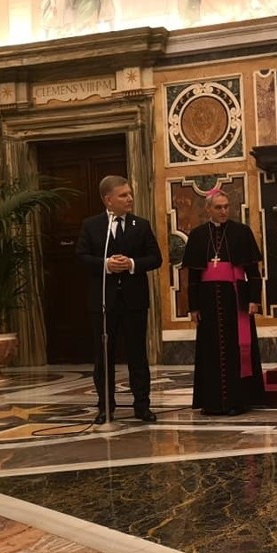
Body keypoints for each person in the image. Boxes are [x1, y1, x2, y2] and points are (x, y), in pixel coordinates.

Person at [77, 175, 163, 424]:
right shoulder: (91, 226)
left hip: (134, 301)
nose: (129, 199)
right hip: (103, 302)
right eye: (123, 195)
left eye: (130, 194)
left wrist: (133, 264)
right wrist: (105, 265)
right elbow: (81, 257)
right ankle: (106, 407)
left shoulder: (141, 225)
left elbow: (155, 258)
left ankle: (142, 405)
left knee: (138, 354)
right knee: (104, 355)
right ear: (108, 199)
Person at [181, 189, 265, 414]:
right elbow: (193, 276)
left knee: (237, 349)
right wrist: (194, 306)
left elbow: (253, 271)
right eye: (218, 207)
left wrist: (254, 300)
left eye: (226, 206)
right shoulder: (198, 235)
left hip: (236, 299)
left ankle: (238, 401)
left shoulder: (241, 232)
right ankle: (212, 402)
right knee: (211, 351)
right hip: (208, 301)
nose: (223, 211)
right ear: (208, 209)